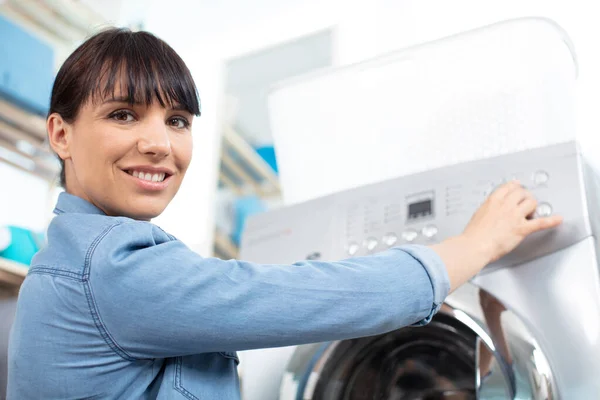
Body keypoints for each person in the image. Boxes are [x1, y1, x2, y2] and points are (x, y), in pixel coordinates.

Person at [6, 28, 562, 399]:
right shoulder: (112, 267)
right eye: (124, 115)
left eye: (177, 121)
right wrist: (477, 244)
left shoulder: (68, 267)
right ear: (61, 133)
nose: (159, 144)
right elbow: (309, 299)